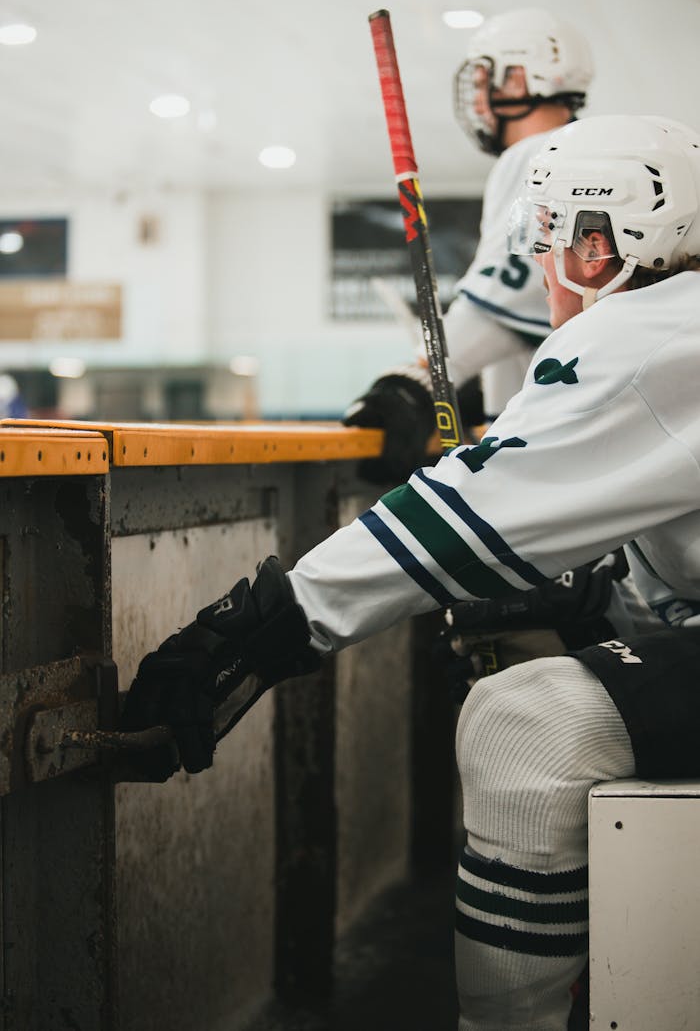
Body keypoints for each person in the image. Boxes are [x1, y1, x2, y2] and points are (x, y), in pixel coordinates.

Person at [122, 114, 700, 1031]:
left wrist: (264, 625)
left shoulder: (647, 336)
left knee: (526, 726)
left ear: (601, 246)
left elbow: (468, 512)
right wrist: (592, 587)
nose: (546, 264)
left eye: (550, 237)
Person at [343, 7, 594, 484]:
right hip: (568, 414)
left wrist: (416, 381)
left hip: (559, 438)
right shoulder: (578, 153)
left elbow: (509, 294)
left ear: (519, 78)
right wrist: (473, 384)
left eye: (484, 82)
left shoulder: (538, 155)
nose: (478, 101)